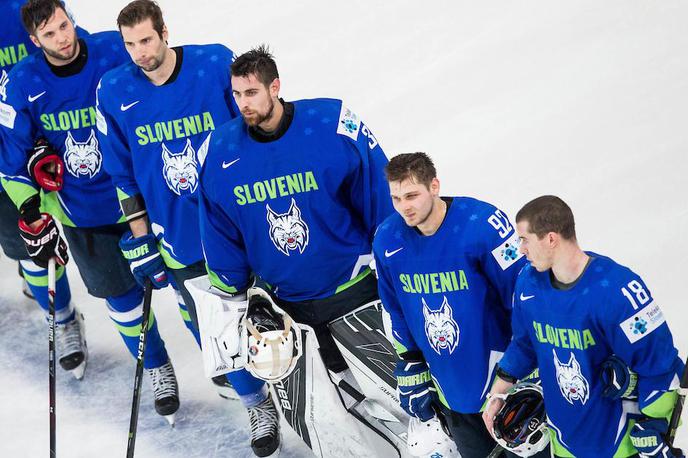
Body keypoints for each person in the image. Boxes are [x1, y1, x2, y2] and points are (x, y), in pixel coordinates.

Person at [95, 1, 275, 454]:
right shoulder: (114, 91)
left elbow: (255, 129)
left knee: (285, 315)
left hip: (245, 221)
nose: (140, 52)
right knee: (217, 330)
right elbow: (123, 176)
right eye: (130, 44)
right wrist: (141, 240)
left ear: (165, 32)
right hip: (179, 238)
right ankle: (257, 405)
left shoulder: (214, 63)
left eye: (147, 40)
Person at [196, 45, 393, 452]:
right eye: (236, 94)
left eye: (251, 93)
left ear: (275, 87)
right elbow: (218, 228)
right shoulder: (219, 151)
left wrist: (391, 261)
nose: (242, 104)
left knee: (395, 401)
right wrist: (231, 290)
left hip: (352, 291)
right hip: (284, 307)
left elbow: (378, 198)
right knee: (318, 422)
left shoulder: (333, 123)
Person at [0, 0, 180, 423]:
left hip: (139, 196)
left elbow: (156, 94)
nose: (62, 38)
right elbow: (11, 160)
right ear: (33, 41)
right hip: (82, 213)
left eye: (64, 26)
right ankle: (156, 366)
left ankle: (223, 362)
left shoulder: (114, 51)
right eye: (50, 34)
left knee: (187, 283)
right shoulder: (24, 82)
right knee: (121, 297)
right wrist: (29, 205)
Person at [371, 152, 549, 457]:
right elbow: (395, 308)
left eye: (412, 195)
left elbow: (525, 297)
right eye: (397, 198)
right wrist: (411, 360)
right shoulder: (387, 239)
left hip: (509, 386)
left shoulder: (483, 226)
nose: (405, 207)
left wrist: (531, 363)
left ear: (434, 186)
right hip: (453, 392)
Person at [483, 195, 684, 458]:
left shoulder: (617, 289)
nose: (520, 249)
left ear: (551, 238)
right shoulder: (528, 283)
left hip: (619, 444)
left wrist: (656, 426)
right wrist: (499, 390)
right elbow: (525, 343)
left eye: (525, 239)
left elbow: (660, 365)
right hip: (563, 439)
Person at [0, 0, 85, 313]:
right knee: (30, 247)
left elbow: (74, 50)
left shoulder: (26, 8)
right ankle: (62, 316)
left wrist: (40, 137)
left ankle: (62, 318)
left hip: (49, 139)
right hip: (7, 155)